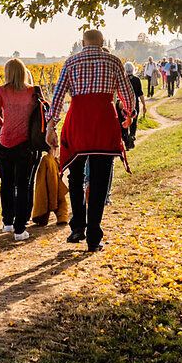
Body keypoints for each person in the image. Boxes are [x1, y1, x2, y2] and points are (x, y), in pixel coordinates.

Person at [47, 29, 134, 252]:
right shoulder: (113, 61)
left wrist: (51, 125)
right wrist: (129, 114)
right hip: (104, 123)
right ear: (102, 42)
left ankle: (77, 227)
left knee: (75, 176)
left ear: (82, 42)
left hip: (78, 123)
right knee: (100, 179)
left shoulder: (71, 62)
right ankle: (94, 236)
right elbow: (127, 92)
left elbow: (57, 96)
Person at [0, 58, 46, 241]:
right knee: (23, 185)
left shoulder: (1, 91)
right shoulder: (32, 91)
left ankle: (7, 222)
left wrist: (5, 124)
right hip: (25, 144)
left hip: (5, 143)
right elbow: (44, 113)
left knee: (6, 183)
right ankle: (20, 229)